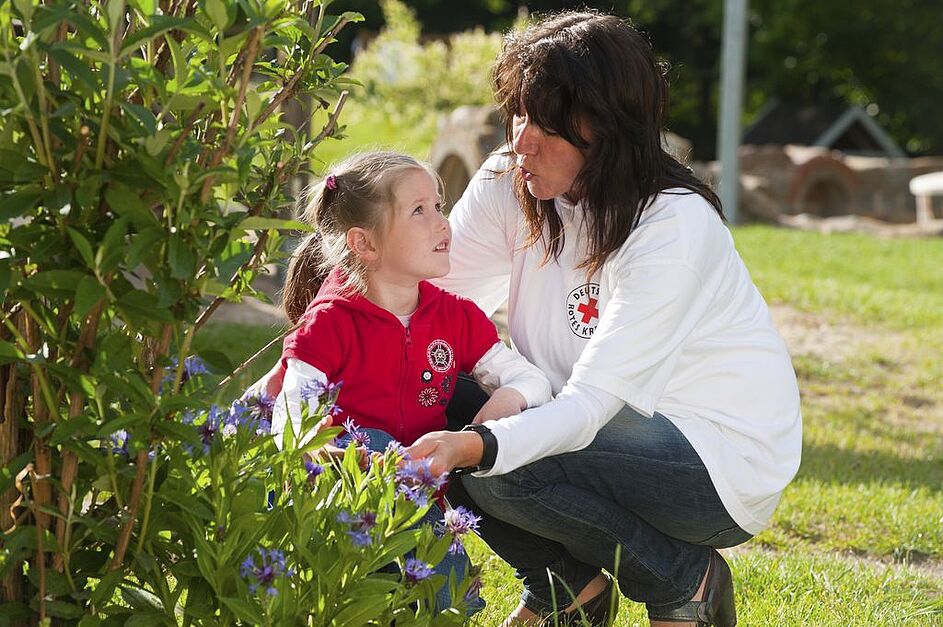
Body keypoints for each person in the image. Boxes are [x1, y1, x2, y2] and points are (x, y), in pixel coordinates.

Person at [396, 11, 803, 627]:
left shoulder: (673, 226)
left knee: (498, 464)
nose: (523, 139)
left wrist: (479, 442)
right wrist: (315, 359)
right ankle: (567, 591)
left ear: (610, 132)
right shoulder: (514, 180)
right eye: (519, 112)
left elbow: (588, 407)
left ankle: (683, 581)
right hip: (586, 421)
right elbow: (417, 313)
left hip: (715, 462)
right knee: (427, 390)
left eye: (549, 126)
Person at [266, 151, 552, 613]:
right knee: (376, 448)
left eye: (439, 206)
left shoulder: (453, 315)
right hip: (337, 499)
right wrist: (321, 448)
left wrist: (508, 396)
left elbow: (531, 378)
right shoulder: (331, 322)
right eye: (419, 211)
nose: (442, 222)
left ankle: (438, 605)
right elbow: (291, 411)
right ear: (365, 244)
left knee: (428, 597)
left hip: (415, 503)